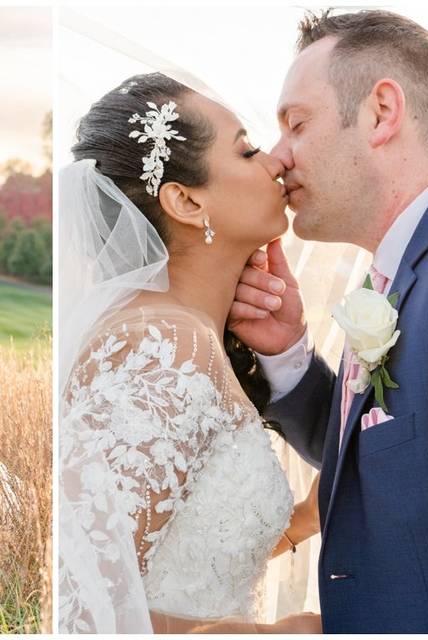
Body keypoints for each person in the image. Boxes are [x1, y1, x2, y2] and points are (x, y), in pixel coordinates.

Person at [227, 10, 428, 633]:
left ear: (381, 113)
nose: (277, 157)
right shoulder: (403, 269)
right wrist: (287, 353)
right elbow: (387, 451)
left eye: (296, 124)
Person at [59, 73, 321, 633]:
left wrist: (304, 519)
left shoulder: (188, 335)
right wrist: (274, 634)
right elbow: (86, 608)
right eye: (248, 149)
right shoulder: (162, 347)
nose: (275, 161)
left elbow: (180, 551)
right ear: (185, 199)